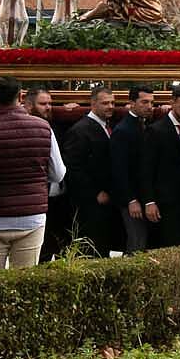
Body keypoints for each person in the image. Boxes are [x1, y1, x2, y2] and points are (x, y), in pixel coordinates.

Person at [0, 77, 65, 269]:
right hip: (32, 215)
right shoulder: (44, 128)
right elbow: (58, 174)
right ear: (20, 96)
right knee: (24, 283)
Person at [59, 85, 119, 258]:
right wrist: (95, 193)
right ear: (93, 104)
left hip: (107, 201)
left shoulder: (109, 125)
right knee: (91, 250)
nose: (110, 106)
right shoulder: (80, 130)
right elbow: (72, 167)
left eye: (113, 103)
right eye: (105, 103)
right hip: (88, 204)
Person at [146, 84, 180, 246]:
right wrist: (149, 201)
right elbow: (146, 170)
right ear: (172, 103)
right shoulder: (155, 130)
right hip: (165, 204)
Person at [110, 87, 158, 251]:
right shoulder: (123, 130)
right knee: (136, 241)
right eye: (144, 102)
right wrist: (130, 200)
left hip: (147, 196)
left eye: (152, 102)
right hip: (132, 199)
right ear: (131, 103)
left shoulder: (147, 124)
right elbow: (119, 170)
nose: (149, 106)